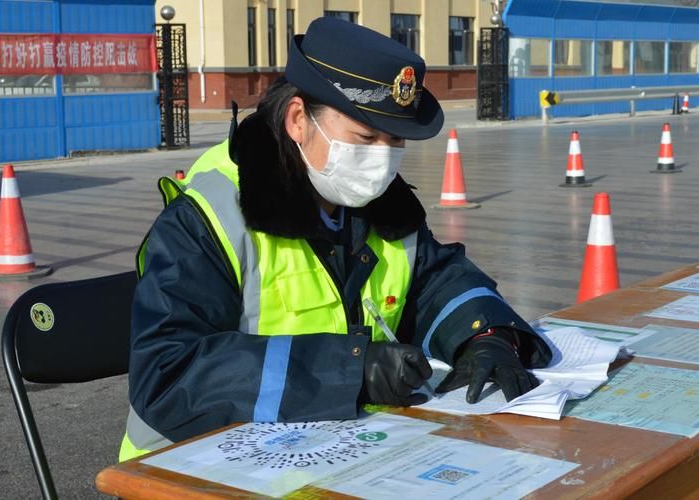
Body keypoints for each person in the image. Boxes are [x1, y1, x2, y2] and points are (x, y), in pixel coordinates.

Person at [119, 17, 550, 461]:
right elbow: (168, 373)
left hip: (329, 452)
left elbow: (435, 277)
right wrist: (350, 370)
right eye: (365, 137)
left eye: (395, 140)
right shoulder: (207, 217)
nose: (381, 159)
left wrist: (487, 336)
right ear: (298, 119)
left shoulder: (378, 203)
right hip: (192, 464)